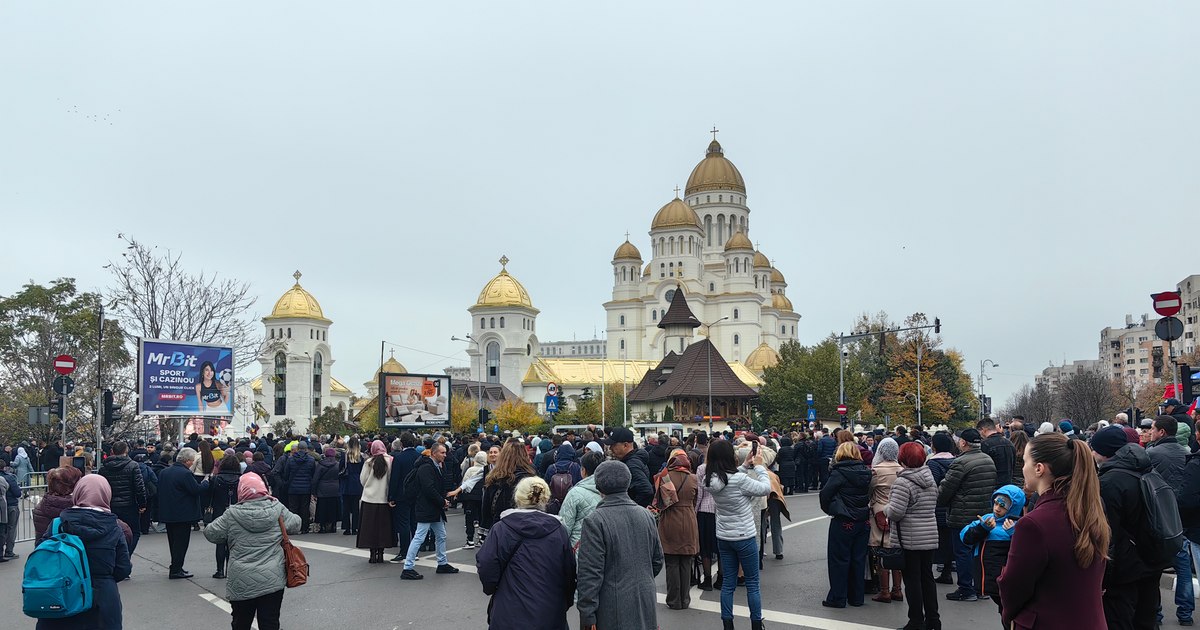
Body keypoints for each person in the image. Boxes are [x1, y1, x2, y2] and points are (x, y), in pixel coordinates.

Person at [998, 433, 1109, 629]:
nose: (1023, 469)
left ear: (1039, 468)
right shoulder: (1090, 509)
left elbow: (1013, 586)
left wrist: (1010, 617)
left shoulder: (1034, 524)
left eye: (1025, 462)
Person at [476, 476, 576, 630]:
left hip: (509, 607)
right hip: (549, 609)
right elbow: (568, 571)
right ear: (545, 498)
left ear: (518, 497)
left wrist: (491, 588)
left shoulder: (501, 528)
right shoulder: (558, 530)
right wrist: (565, 600)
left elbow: (487, 564)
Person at [204, 473, 301, 630]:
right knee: (270, 622)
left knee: (240, 623)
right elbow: (296, 524)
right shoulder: (277, 508)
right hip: (272, 577)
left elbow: (211, 533)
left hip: (241, 578)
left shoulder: (232, 514)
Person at [1090, 424, 1164, 629]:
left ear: (1105, 452)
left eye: (1095, 449)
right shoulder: (1146, 469)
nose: (1093, 453)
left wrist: (1102, 578)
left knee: (1119, 620)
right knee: (1147, 619)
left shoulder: (1109, 482)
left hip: (1124, 568)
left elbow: (1107, 534)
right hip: (1152, 558)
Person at [33, 475, 130, 630]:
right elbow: (123, 568)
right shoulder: (114, 528)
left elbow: (42, 557)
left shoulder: (57, 525)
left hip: (60, 595)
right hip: (101, 599)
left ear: (77, 493)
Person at [576, 460, 664, 630]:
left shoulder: (595, 520)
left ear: (598, 486)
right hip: (645, 599)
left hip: (611, 604)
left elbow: (590, 572)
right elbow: (657, 560)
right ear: (628, 482)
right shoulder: (645, 515)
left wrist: (587, 612)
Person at [707, 439, 772, 629]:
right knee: (752, 583)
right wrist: (759, 467)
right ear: (730, 456)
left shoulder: (710, 480)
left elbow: (728, 479)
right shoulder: (740, 480)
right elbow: (765, 488)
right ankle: (756, 623)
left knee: (728, 583)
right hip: (744, 535)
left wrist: (744, 466)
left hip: (724, 535)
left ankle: (728, 623)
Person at [885, 441, 941, 630]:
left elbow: (895, 512)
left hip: (909, 538)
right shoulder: (929, 478)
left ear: (903, 459)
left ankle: (916, 620)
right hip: (929, 535)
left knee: (912, 581)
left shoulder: (903, 482)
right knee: (927, 579)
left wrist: (885, 508)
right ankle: (933, 620)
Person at [1145, 414, 1194, 626]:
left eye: (1153, 429)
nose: (1150, 432)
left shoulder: (1152, 453)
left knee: (1154, 567)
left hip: (1159, 515)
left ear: (1161, 432)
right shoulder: (1187, 453)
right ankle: (1185, 614)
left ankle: (1156, 614)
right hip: (1181, 517)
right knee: (1183, 567)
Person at [937, 428, 996, 602]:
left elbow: (945, 490)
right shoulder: (988, 460)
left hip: (962, 514)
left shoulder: (960, 463)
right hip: (983, 513)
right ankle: (980, 587)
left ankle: (966, 588)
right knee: (978, 551)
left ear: (963, 443)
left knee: (963, 551)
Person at [960, 485, 1026, 626]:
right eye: (996, 503)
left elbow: (1027, 551)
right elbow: (965, 537)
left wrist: (1014, 534)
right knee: (1005, 613)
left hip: (1004, 582)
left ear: (1013, 508)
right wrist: (982, 528)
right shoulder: (986, 519)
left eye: (1003, 506)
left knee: (1008, 615)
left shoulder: (1019, 526)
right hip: (987, 580)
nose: (997, 508)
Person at [819, 441, 871, 609]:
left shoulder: (839, 472)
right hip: (862, 519)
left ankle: (838, 597)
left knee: (839, 560)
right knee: (858, 559)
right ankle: (856, 597)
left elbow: (825, 494)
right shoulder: (866, 471)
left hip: (844, 519)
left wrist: (832, 509)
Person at [400, 442, 460, 579]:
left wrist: (442, 500)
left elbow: (434, 488)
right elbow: (429, 489)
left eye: (445, 452)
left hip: (433, 508)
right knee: (419, 537)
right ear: (434, 453)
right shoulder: (426, 468)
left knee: (441, 535)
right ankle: (407, 567)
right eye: (442, 452)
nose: (445, 455)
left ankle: (442, 563)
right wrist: (442, 501)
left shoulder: (434, 466)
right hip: (427, 508)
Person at [654, 449, 699, 610]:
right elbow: (695, 501)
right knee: (686, 561)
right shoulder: (693, 478)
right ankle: (685, 599)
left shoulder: (664, 476)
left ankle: (673, 600)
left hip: (669, 519)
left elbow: (658, 501)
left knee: (672, 561)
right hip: (688, 518)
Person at [158, 447, 209, 579]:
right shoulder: (185, 474)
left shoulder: (165, 472)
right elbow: (195, 490)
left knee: (173, 541)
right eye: (191, 460)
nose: (192, 463)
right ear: (187, 461)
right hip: (183, 514)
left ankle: (175, 566)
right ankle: (176, 569)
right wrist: (205, 483)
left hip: (168, 512)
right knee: (181, 543)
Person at [868, 437, 904, 603]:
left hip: (880, 512)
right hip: (899, 512)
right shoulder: (902, 469)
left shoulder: (877, 470)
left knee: (882, 552)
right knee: (896, 552)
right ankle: (897, 589)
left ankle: (884, 591)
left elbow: (870, 491)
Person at [98, 440, 147, 554]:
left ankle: (117, 555)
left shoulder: (104, 468)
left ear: (112, 451)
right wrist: (142, 504)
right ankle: (126, 555)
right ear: (126, 451)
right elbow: (139, 487)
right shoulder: (133, 466)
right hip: (129, 505)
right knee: (134, 532)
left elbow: (100, 487)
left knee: (112, 532)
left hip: (110, 505)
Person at [480, 440, 536, 539]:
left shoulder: (495, 476)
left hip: (501, 526)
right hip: (527, 526)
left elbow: (486, 507)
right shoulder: (531, 475)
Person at [559, 450, 604, 553]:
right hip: (603, 548)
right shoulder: (610, 490)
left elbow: (565, 527)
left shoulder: (575, 493)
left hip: (579, 549)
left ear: (583, 470)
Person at [358, 440, 395, 563]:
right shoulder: (390, 460)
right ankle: (381, 553)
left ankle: (372, 554)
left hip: (369, 499)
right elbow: (391, 479)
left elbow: (363, 480)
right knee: (383, 528)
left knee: (369, 528)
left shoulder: (369, 462)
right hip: (384, 499)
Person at [208, 452, 242, 578]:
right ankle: (230, 570)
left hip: (219, 512)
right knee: (234, 543)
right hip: (237, 513)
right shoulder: (241, 480)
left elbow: (210, 495)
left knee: (220, 542)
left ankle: (219, 570)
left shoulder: (216, 479)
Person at [386, 433, 419, 561]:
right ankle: (415, 552)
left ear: (402, 444)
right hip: (416, 494)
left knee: (403, 524)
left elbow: (395, 479)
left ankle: (404, 551)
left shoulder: (399, 458)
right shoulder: (418, 456)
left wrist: (391, 496)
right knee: (414, 523)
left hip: (402, 495)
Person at [602, 427, 654, 507]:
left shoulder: (631, 465)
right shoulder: (632, 460)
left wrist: (631, 509)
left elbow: (646, 491)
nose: (611, 448)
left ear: (625, 445)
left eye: (613, 445)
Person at [448, 450, 488, 548]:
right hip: (482, 497)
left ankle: (470, 539)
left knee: (469, 518)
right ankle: (482, 538)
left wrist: (458, 491)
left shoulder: (471, 470)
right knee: (482, 517)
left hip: (470, 497)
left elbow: (466, 481)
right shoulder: (487, 469)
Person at [32, 466, 83, 540]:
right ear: (72, 486)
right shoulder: (75, 508)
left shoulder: (41, 505)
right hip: (70, 549)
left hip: (45, 548)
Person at [282, 441, 316, 533]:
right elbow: (313, 474)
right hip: (306, 488)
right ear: (306, 449)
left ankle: (294, 527)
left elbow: (286, 474)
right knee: (304, 508)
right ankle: (304, 527)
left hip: (293, 488)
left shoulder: (291, 459)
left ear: (297, 449)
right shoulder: (311, 460)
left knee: (293, 508)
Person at [978, 419, 1015, 489]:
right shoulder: (1010, 443)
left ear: (983, 430)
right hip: (1008, 485)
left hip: (991, 486)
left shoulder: (985, 445)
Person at [339, 437, 364, 535]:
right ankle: (355, 527)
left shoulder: (345, 455)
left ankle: (347, 528)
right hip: (357, 482)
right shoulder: (360, 457)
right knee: (355, 508)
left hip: (346, 482)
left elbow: (340, 468)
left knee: (346, 507)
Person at [313, 447, 341, 533]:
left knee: (322, 508)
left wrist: (314, 491)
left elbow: (315, 479)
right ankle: (333, 526)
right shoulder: (337, 465)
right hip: (335, 489)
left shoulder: (320, 465)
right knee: (333, 508)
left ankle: (322, 526)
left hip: (322, 489)